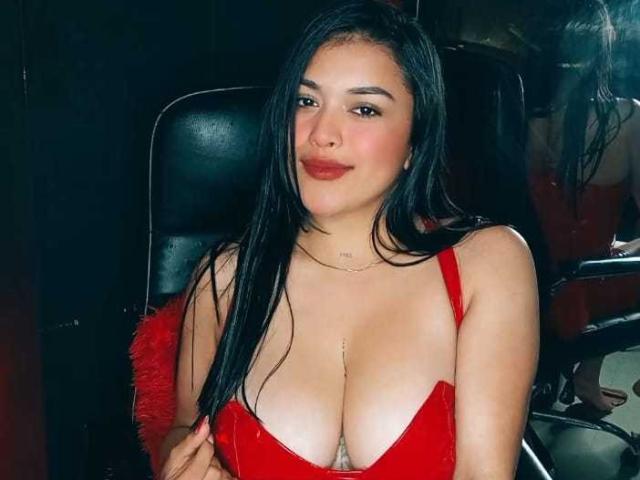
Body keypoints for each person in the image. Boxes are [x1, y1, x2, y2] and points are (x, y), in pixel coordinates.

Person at [142, 1, 539, 479]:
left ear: (415, 142)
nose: (322, 134)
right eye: (306, 101)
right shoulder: (225, 277)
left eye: (364, 109)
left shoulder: (487, 264)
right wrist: (180, 465)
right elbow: (183, 430)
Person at [526, 0, 640, 413]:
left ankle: (558, 376)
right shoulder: (628, 117)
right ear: (604, 50)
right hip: (588, 288)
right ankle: (587, 375)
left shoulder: (532, 119)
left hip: (530, 285)